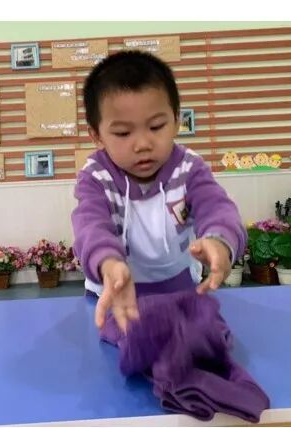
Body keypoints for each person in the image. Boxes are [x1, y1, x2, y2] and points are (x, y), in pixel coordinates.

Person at [72, 50, 246, 334]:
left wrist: (220, 241)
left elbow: (217, 207)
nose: (142, 144)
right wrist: (108, 263)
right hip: (117, 292)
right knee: (124, 351)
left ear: (176, 120)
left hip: (179, 288)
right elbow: (90, 227)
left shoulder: (189, 168)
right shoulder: (96, 177)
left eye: (156, 126)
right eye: (123, 133)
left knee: (200, 344)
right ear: (96, 135)